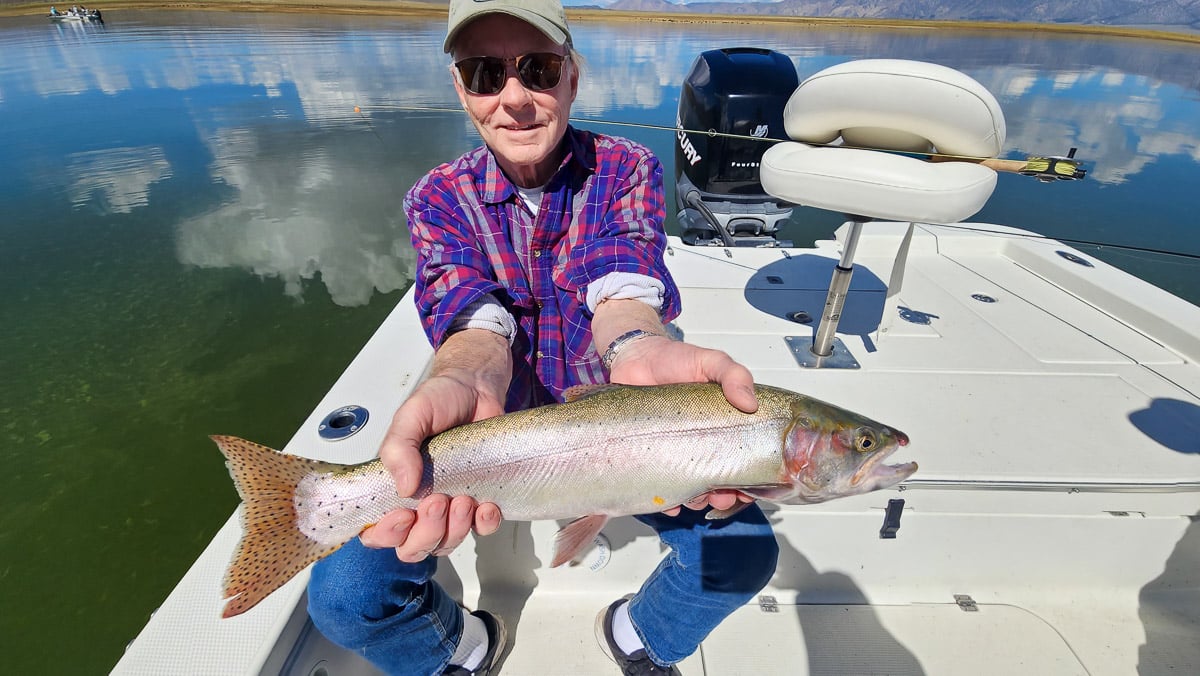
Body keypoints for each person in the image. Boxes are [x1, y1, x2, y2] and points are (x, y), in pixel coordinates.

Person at [305, 0, 780, 673]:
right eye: (484, 73)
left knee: (745, 551)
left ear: (572, 77)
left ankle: (642, 636)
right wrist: (469, 374)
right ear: (460, 89)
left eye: (537, 69)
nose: (515, 98)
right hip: (487, 430)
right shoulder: (435, 196)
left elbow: (619, 279)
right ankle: (461, 649)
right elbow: (471, 310)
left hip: (624, 430)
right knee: (345, 596)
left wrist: (635, 345)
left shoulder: (625, 169)